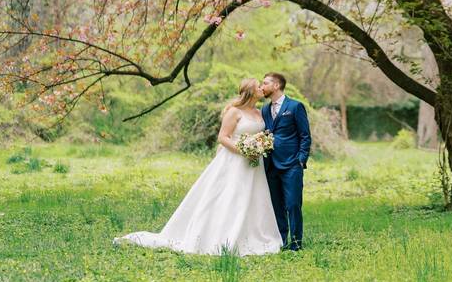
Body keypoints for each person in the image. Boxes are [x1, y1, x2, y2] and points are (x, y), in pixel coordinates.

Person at [114, 78, 282, 255]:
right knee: (232, 197)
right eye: (258, 86)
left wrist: (259, 145)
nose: (262, 89)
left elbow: (260, 133)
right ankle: (222, 236)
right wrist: (244, 151)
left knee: (254, 198)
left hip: (255, 164)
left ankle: (251, 235)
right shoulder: (234, 112)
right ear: (249, 91)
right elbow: (223, 138)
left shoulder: (259, 112)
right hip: (234, 161)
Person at [260, 72, 312, 251]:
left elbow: (305, 136)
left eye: (265, 83)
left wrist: (301, 160)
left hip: (291, 165)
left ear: (276, 86)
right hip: (270, 165)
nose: (262, 86)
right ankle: (281, 241)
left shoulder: (295, 106)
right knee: (277, 205)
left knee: (293, 204)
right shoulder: (265, 109)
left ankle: (296, 243)